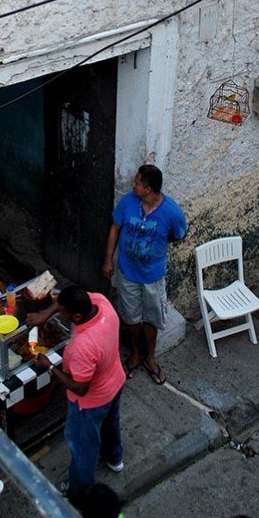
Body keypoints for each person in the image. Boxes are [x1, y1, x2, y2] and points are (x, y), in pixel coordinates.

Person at [29, 285, 125, 502]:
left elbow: (80, 387)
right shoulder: (101, 302)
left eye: (63, 312)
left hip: (91, 403)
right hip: (115, 381)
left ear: (77, 316)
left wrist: (50, 367)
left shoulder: (84, 345)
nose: (60, 313)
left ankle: (79, 492)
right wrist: (45, 314)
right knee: (111, 423)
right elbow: (65, 299)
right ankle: (114, 458)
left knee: (83, 448)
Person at [103, 163, 187, 385]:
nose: (133, 185)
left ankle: (149, 357)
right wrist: (108, 260)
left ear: (148, 189)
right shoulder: (128, 202)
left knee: (151, 319)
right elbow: (115, 227)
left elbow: (179, 234)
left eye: (137, 182)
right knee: (131, 318)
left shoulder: (171, 211)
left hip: (153, 277)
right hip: (127, 274)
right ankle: (135, 354)